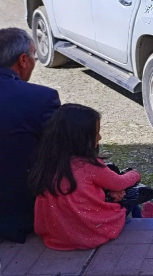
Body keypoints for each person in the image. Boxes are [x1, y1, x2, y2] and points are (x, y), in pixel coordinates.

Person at [0, 27, 60, 243]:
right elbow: (59, 152)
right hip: (28, 211)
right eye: (33, 57)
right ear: (23, 60)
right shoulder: (43, 98)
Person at [28, 104, 142, 250]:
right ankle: (142, 221)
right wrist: (135, 174)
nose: (100, 137)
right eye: (96, 133)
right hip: (91, 232)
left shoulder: (46, 163)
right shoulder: (88, 165)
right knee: (131, 198)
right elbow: (119, 182)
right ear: (80, 138)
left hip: (56, 237)